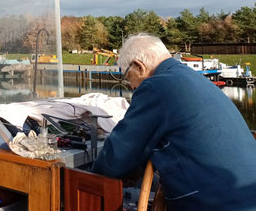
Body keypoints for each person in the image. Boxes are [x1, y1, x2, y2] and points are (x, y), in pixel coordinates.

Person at [92, 33, 256, 211]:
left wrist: (91, 178)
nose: (131, 86)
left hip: (212, 202)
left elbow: (117, 155)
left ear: (139, 66)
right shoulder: (191, 77)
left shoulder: (156, 86)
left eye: (127, 77)